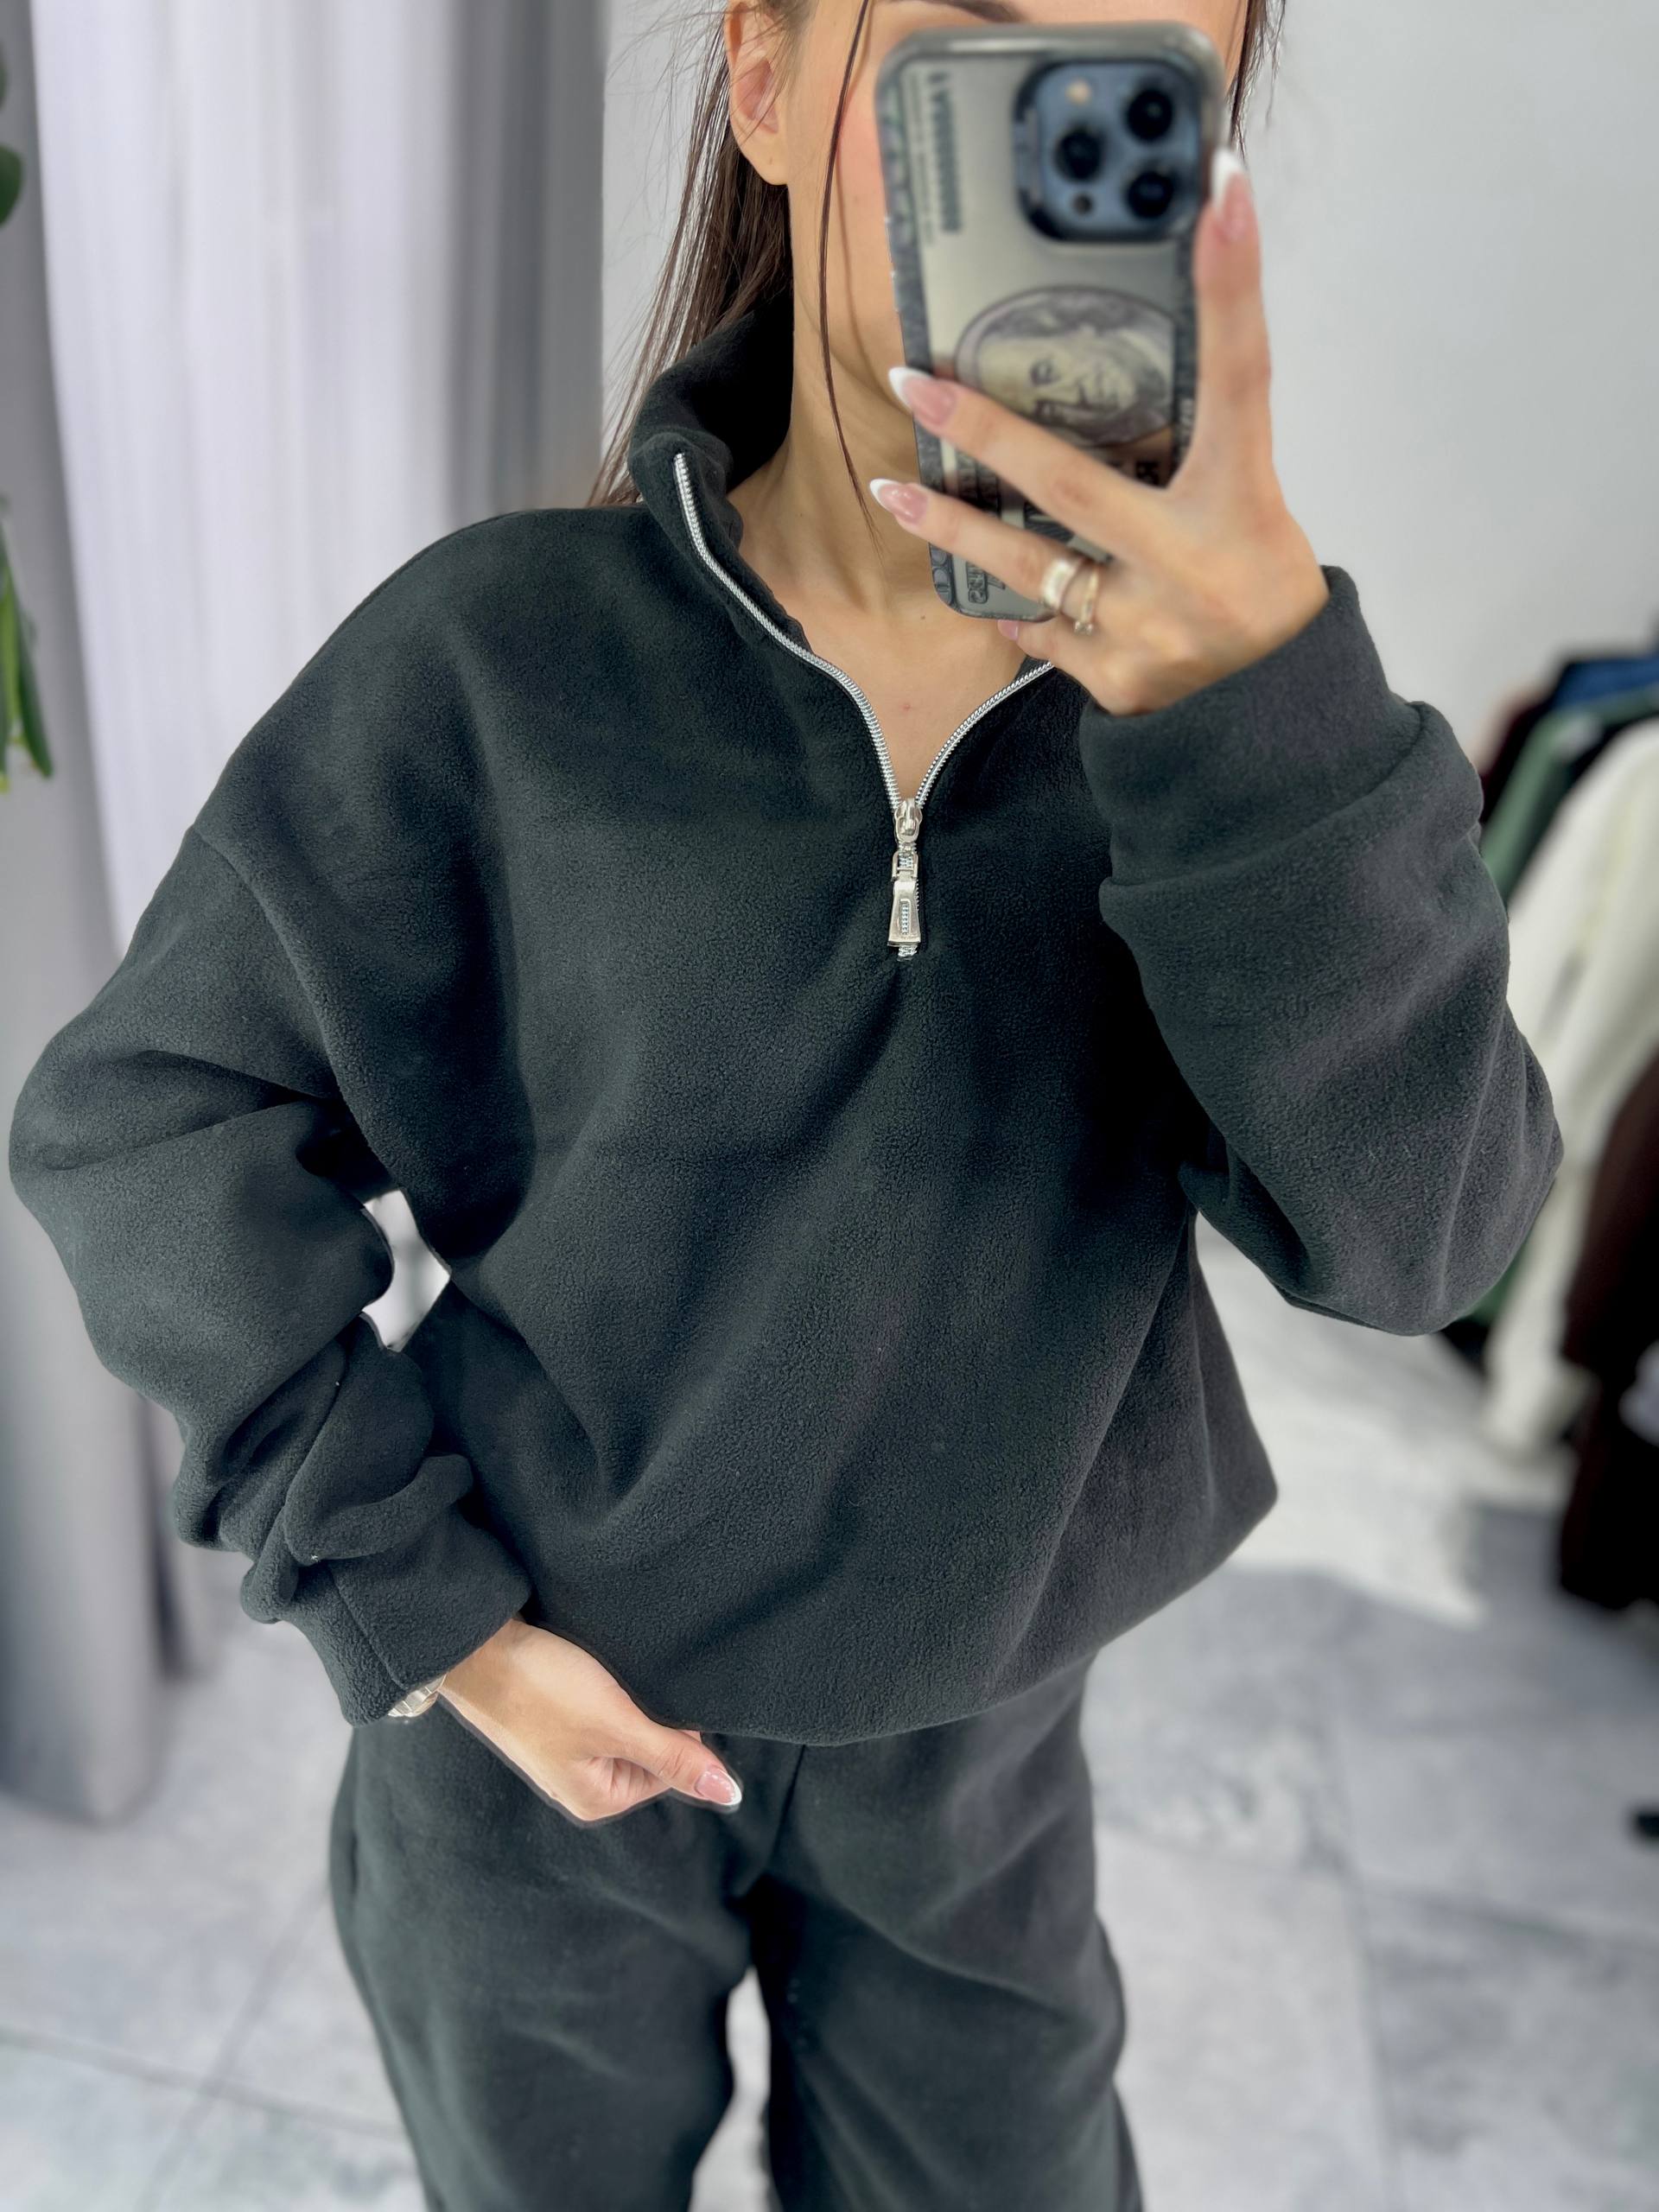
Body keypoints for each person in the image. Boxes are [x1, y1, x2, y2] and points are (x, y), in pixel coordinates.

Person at [8, 3, 1562, 2207]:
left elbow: (1428, 1242)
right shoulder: (494, 665)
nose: (1041, 151)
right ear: (766, 79)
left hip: (981, 1755)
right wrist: (424, 1609)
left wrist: (1258, 716)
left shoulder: (1234, 747)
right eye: (971, 57)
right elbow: (144, 1118)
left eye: (1131, 93)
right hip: (533, 1738)